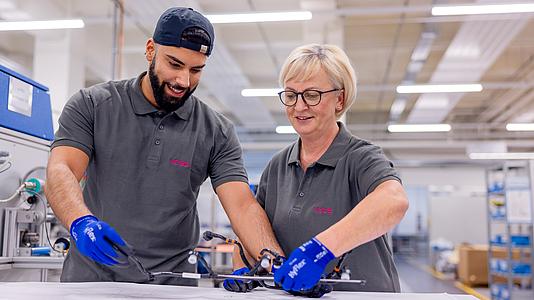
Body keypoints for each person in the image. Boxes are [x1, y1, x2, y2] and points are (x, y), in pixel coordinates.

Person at [45, 7, 282, 285]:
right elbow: (62, 169)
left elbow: (242, 205)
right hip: (92, 279)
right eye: (174, 63)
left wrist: (273, 262)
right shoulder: (93, 104)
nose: (183, 80)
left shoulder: (216, 130)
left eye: (196, 70)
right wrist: (80, 222)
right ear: (150, 50)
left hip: (173, 283)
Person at [225, 44, 409, 295]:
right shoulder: (278, 166)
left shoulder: (361, 157)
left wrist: (321, 250)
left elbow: (394, 201)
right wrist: (244, 267)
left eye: (312, 95)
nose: (299, 107)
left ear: (340, 99)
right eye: (291, 95)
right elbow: (252, 235)